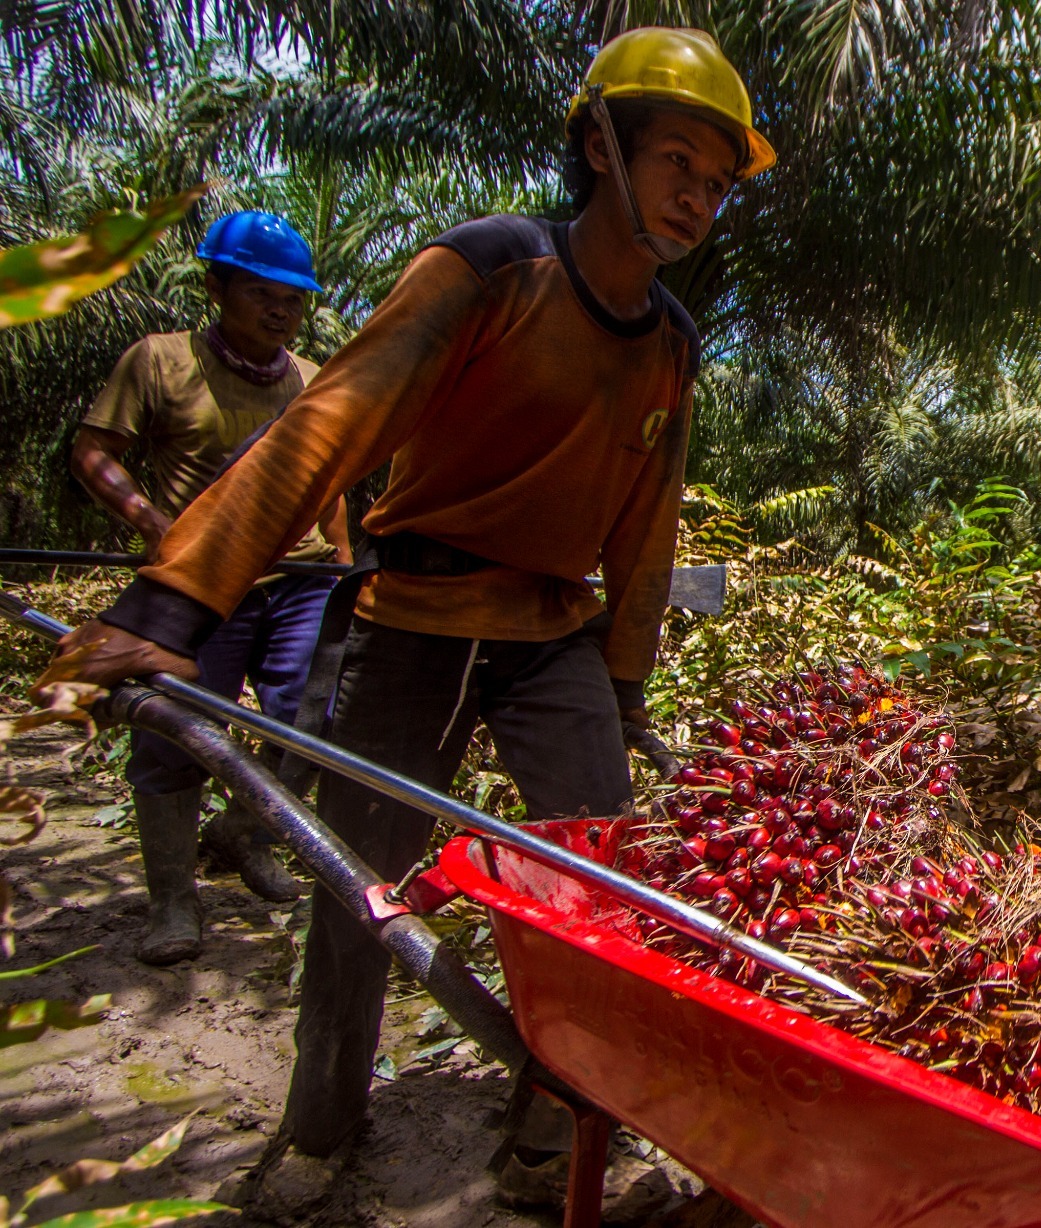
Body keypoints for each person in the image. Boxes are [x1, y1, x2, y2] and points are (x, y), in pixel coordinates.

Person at [35, 26, 772, 1167]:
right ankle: (322, 1131)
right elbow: (325, 429)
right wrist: (172, 607)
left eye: (720, 184)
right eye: (679, 160)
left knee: (598, 885)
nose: (699, 197)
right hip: (411, 617)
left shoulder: (670, 343)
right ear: (598, 146)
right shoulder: (488, 268)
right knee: (359, 889)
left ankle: (552, 1128)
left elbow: (646, 527)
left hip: (549, 634)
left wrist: (624, 687)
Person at [72, 209, 348, 963]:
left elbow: (329, 486)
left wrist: (349, 567)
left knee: (312, 725)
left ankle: (245, 833)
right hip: (202, 582)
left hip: (301, 581)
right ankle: (172, 901)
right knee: (176, 732)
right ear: (218, 287)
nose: (281, 312)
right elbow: (94, 451)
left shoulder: (310, 381)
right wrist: (152, 522)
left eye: (294, 300)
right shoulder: (160, 361)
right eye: (263, 294)